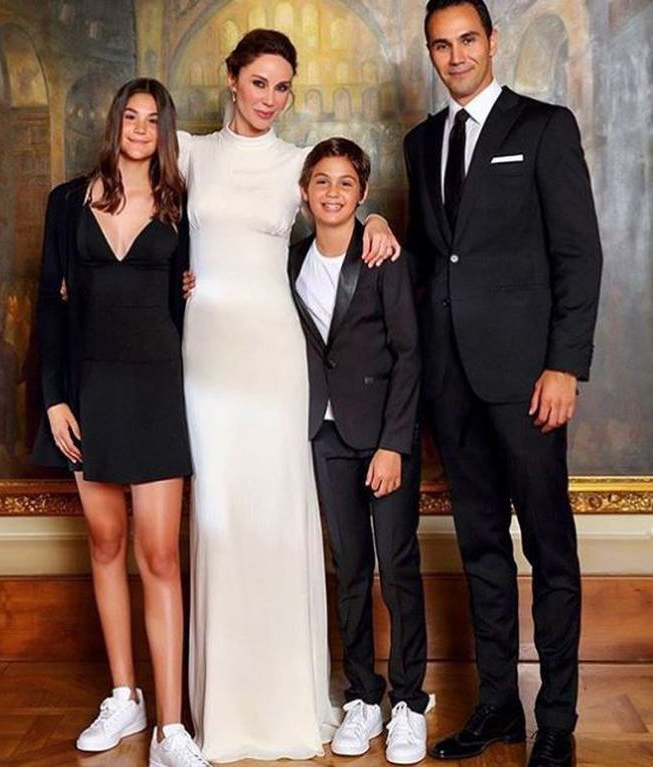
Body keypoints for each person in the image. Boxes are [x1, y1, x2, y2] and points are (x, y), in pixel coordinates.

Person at [178, 29, 401, 761]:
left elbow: (342, 206)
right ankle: (225, 709)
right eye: (258, 82)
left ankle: (286, 703)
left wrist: (377, 220)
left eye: (282, 87)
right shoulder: (188, 152)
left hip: (277, 363)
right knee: (219, 519)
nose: (270, 99)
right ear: (231, 79)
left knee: (276, 518)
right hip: (208, 360)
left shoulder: (295, 166)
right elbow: (127, 199)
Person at [403, 2, 602, 766]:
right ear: (430, 53)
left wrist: (564, 364)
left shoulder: (543, 127)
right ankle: (497, 707)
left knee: (549, 547)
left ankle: (555, 721)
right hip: (449, 382)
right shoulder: (422, 143)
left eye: (466, 40)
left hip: (528, 380)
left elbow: (577, 255)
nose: (454, 56)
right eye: (440, 45)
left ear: (491, 42)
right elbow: (433, 259)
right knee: (480, 546)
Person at [33, 78, 209, 767]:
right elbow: (50, 304)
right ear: (115, 124)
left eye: (152, 119)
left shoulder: (181, 205)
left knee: (159, 554)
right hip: (89, 390)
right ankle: (123, 696)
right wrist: (55, 398)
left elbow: (192, 296)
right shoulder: (66, 203)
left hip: (157, 389)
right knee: (105, 542)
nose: (140, 128)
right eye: (130, 116)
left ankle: (171, 729)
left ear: (165, 131)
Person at [290, 138, 430, 764]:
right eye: (322, 181)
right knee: (348, 568)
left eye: (346, 183)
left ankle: (409, 702)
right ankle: (363, 697)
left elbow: (409, 354)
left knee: (396, 567)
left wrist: (394, 444)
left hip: (382, 437)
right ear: (305, 192)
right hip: (324, 438)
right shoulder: (290, 261)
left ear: (362, 193)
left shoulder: (382, 255)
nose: (333, 192)